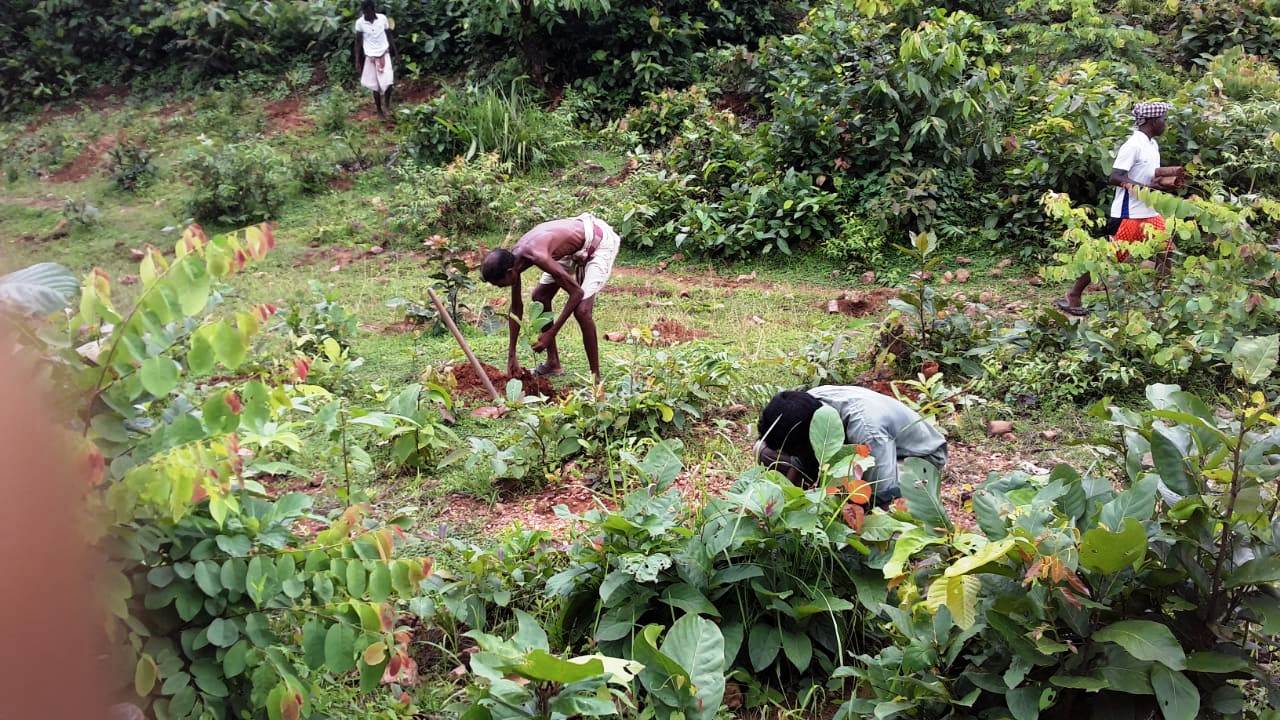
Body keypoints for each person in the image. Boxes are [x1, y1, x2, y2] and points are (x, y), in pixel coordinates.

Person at [1056, 101, 1185, 316]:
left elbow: (1147, 176)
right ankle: (1074, 295)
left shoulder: (1152, 145)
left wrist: (1164, 184)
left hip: (1149, 212)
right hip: (1129, 215)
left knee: (1166, 252)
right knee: (1110, 257)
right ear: (1153, 121)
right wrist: (1147, 189)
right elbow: (1115, 177)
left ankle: (1161, 298)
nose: (1165, 123)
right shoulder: (1133, 145)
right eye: (1163, 119)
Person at [480, 213, 622, 381]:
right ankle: (553, 363)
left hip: (597, 241)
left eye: (499, 284)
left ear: (510, 273)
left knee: (582, 311)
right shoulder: (512, 261)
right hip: (569, 250)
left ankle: (595, 379)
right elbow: (516, 308)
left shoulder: (537, 255)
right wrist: (512, 354)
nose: (500, 287)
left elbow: (576, 292)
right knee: (540, 296)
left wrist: (550, 334)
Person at [755, 386, 948, 508]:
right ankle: (832, 490)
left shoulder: (867, 429)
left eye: (794, 449)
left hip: (918, 457)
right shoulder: (807, 404)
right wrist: (787, 503)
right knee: (763, 452)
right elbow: (799, 461)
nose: (791, 454)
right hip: (850, 453)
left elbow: (883, 493)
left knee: (877, 499)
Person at [354, 0, 397, 118]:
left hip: (384, 54)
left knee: (389, 82)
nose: (366, 15)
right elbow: (358, 43)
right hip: (371, 57)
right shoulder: (360, 23)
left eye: (368, 12)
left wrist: (395, 53)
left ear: (373, 10)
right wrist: (357, 61)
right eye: (364, 12)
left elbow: (389, 36)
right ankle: (379, 110)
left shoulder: (382, 19)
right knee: (375, 86)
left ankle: (387, 105)